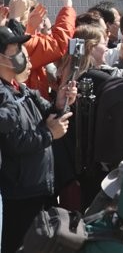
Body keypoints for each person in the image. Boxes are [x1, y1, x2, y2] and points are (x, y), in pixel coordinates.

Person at [0, 23, 77, 252]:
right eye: (16, 50)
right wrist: (49, 134)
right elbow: (13, 143)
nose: (23, 55)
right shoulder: (3, 96)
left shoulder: (20, 89)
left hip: (40, 186)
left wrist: (62, 101)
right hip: (20, 193)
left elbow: (50, 112)